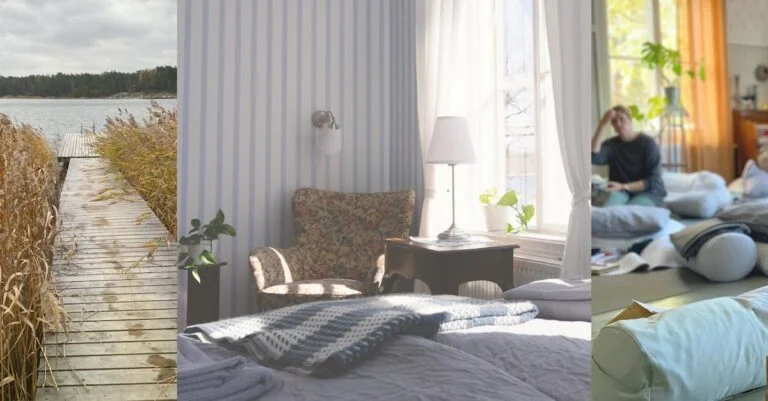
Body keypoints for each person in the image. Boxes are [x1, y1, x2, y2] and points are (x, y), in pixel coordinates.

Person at [592, 105, 666, 207]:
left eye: (622, 119)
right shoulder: (611, 144)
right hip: (621, 192)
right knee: (607, 210)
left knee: (631, 211)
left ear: (630, 120)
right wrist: (602, 124)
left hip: (648, 192)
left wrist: (624, 186)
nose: (618, 123)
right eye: (614, 121)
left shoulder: (648, 143)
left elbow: (653, 180)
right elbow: (593, 156)